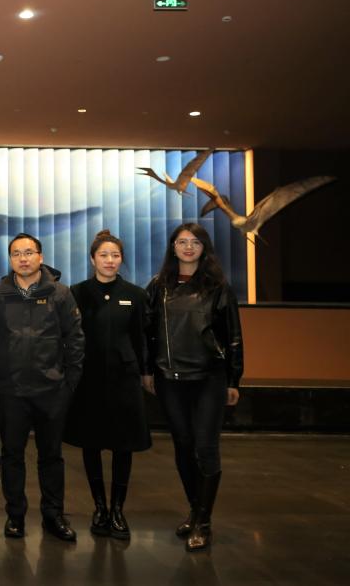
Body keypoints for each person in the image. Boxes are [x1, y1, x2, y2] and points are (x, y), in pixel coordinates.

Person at [145, 222, 243, 551]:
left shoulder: (219, 287)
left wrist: (234, 378)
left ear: (204, 248)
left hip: (209, 379)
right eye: (182, 242)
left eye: (195, 242)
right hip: (169, 379)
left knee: (206, 448)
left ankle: (203, 522)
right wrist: (147, 370)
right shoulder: (158, 286)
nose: (188, 247)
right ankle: (195, 509)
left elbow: (233, 336)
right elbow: (147, 333)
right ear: (173, 247)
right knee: (183, 446)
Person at [0, 232, 84, 542]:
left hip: (51, 391)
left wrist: (69, 383)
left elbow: (75, 339)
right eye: (16, 254)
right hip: (11, 391)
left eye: (28, 252)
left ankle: (54, 515)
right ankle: (15, 516)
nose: (23, 259)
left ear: (40, 257)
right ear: (10, 259)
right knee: (12, 456)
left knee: (51, 456)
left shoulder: (60, 293)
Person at [63, 230, 152, 540]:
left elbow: (142, 338)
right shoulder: (76, 292)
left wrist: (146, 372)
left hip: (124, 379)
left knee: (123, 444)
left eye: (115, 255)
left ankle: (117, 509)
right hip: (88, 379)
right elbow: (69, 337)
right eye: (103, 255)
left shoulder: (136, 294)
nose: (109, 260)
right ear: (92, 259)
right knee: (91, 443)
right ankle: (99, 507)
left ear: (121, 259)